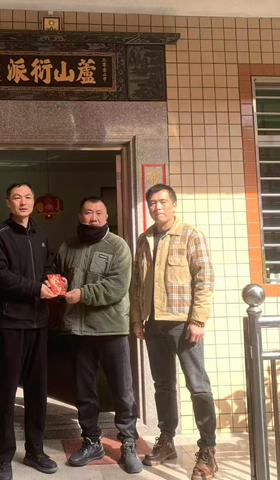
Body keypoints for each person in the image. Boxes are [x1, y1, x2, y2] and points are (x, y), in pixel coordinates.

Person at [130, 184, 218, 480]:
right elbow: (137, 284)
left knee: (198, 385)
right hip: (153, 323)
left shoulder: (191, 235)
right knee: (163, 385)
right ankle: (166, 440)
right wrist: (137, 318)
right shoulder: (144, 239)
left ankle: (207, 450)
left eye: (163, 202)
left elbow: (205, 279)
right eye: (152, 203)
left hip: (184, 324)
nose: (157, 207)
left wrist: (198, 320)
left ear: (174, 204)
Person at [51, 196, 143, 474]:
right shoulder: (68, 246)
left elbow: (117, 287)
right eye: (88, 213)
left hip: (111, 329)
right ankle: (91, 441)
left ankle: (128, 442)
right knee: (84, 391)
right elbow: (57, 275)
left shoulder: (118, 246)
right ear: (80, 216)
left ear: (106, 217)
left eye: (99, 213)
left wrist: (82, 294)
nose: (93, 218)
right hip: (78, 330)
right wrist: (59, 283)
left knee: (122, 390)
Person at [0, 182, 59, 480]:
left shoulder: (41, 234)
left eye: (28, 197)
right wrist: (36, 289)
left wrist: (55, 283)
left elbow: (47, 268)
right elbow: (0, 275)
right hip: (10, 322)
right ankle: (4, 457)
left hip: (39, 322)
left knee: (38, 390)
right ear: (8, 203)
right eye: (17, 197)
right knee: (6, 391)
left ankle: (35, 450)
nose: (23, 202)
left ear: (34, 201)